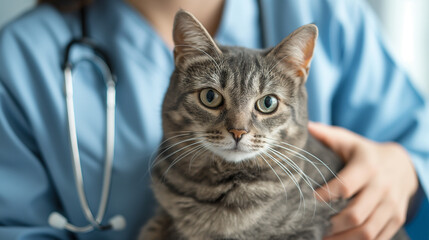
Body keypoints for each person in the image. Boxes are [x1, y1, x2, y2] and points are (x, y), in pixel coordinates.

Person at [0, 0, 428, 239]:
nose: (239, 129)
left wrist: (405, 168)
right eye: (211, 98)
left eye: (263, 105)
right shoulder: (21, 56)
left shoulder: (327, 10)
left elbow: (418, 143)